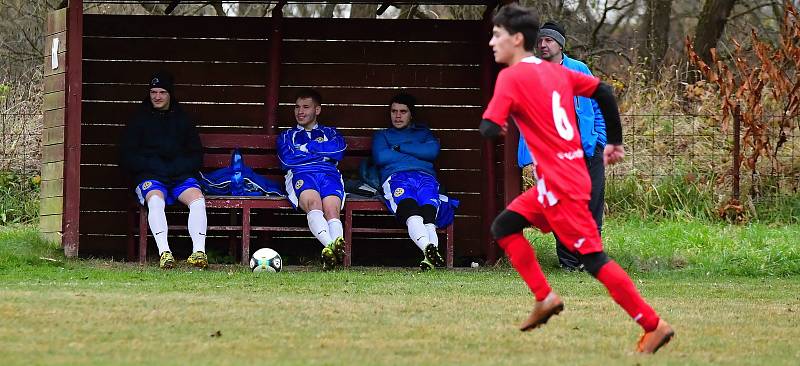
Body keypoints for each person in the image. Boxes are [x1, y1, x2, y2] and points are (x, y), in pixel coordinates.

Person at [481, 4, 674, 353]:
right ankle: (545, 297)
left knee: (593, 259)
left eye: (497, 35)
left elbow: (488, 127)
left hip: (561, 184)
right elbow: (604, 92)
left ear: (518, 39)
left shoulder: (510, 77)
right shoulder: (558, 71)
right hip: (564, 178)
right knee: (504, 227)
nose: (492, 42)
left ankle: (652, 324)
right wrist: (614, 141)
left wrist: (498, 120)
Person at [516, 21, 607, 271]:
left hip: (587, 151)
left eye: (548, 40)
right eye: (540, 41)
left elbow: (597, 105)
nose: (543, 45)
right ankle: (568, 262)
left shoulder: (579, 69)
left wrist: (598, 139)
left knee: (591, 207)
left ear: (560, 44)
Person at [120, 71, 208, 269]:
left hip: (180, 176)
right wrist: (152, 166)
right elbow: (127, 156)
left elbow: (196, 155)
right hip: (150, 176)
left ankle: (199, 253)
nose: (157, 96)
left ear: (170, 94)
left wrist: (178, 168)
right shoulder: (138, 120)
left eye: (162, 92)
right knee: (155, 200)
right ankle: (164, 253)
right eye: (153, 92)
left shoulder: (183, 119)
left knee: (197, 200)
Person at [371, 92, 446, 271]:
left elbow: (432, 152)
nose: (397, 116)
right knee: (410, 210)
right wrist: (416, 152)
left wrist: (399, 148)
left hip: (425, 178)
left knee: (428, 213)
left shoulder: (423, 133)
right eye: (394, 111)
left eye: (402, 111)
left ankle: (429, 256)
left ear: (411, 114)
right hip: (397, 178)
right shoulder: (382, 136)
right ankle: (430, 251)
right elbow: (381, 157)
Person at [277, 88, 347, 270]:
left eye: (306, 107)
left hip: (329, 174)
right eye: (297, 107)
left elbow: (338, 152)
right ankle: (332, 247)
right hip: (301, 173)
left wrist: (307, 148)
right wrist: (321, 151)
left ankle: (332, 251)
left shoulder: (331, 133)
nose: (300, 112)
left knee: (332, 209)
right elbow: (287, 160)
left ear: (317, 110)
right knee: (314, 204)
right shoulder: (286, 136)